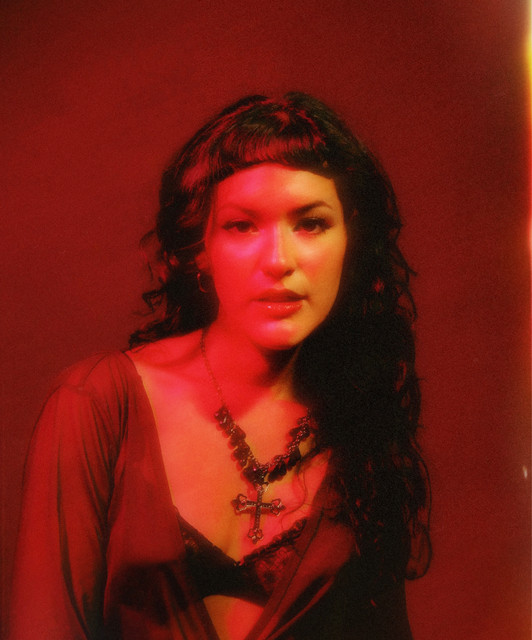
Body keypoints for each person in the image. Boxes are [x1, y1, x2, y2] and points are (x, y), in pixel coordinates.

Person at [9, 93, 431, 640]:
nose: (279, 261)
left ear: (350, 239)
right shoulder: (96, 404)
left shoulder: (362, 422)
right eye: (242, 226)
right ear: (199, 248)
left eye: (310, 224)